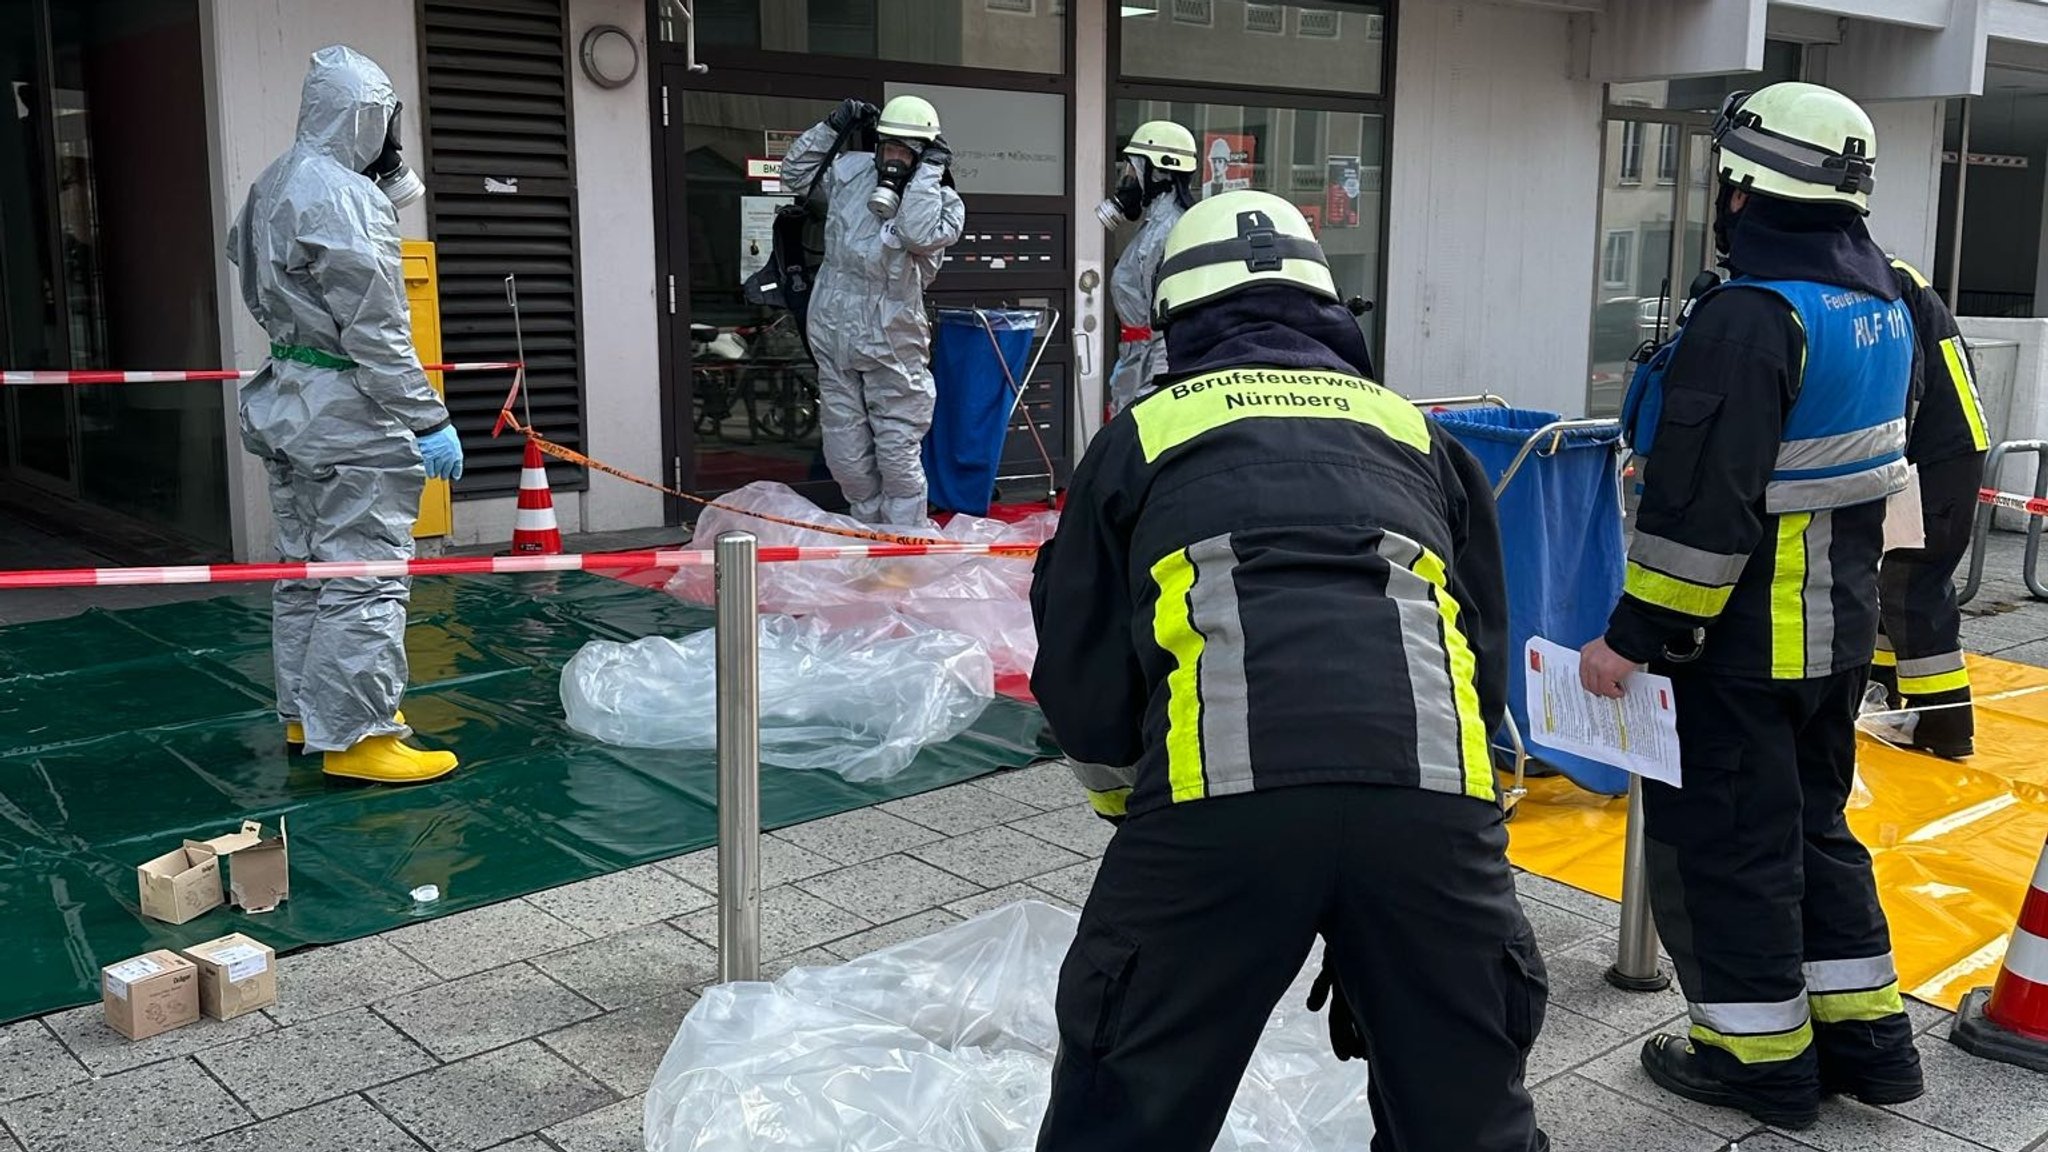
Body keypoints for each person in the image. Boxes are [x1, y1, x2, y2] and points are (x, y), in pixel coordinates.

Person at [1030, 190, 1549, 1152]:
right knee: (1464, 1108)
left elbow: (1079, 668)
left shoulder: (1142, 435)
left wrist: (1133, 807)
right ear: (1326, 306)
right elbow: (1474, 649)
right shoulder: (1417, 433)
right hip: (1432, 805)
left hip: (1219, 802)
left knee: (1128, 1092)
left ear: (1180, 321)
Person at [1581, 81, 1923, 1128]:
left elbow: (1698, 517)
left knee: (1728, 851)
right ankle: (1866, 1043)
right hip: (1833, 638)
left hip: (1739, 647)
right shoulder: (1883, 305)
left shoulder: (1749, 319)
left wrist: (1629, 642)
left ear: (1742, 186)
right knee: (1815, 834)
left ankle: (1757, 1060)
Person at [228, 45, 463, 785]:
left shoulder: (274, 183)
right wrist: (427, 418)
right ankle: (359, 735)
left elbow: (264, 263)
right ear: (369, 116)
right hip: (349, 413)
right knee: (364, 576)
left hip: (289, 399)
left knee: (304, 571)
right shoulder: (343, 195)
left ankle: (308, 715)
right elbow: (377, 330)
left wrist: (385, 179)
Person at [781, 95, 966, 526]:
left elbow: (917, 233)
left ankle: (903, 548)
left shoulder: (943, 201)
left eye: (907, 151)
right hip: (834, 330)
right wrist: (832, 126)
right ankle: (866, 538)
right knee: (845, 454)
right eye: (889, 148)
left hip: (892, 336)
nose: (894, 159)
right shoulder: (851, 173)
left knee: (897, 452)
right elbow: (794, 173)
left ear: (924, 153)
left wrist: (927, 175)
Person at [1873, 261, 1989, 759]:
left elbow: (1903, 380)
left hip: (1935, 456)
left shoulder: (1883, 283)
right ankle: (1883, 693)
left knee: (1911, 582)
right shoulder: (1897, 276)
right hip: (1944, 449)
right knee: (1889, 574)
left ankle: (1941, 723)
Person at [1098, 120, 1198, 418]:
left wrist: (1150, 392)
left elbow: (1168, 324)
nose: (1126, 179)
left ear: (1158, 171)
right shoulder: (1154, 227)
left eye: (1131, 169)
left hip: (1156, 361)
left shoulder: (1172, 230)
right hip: (1138, 357)